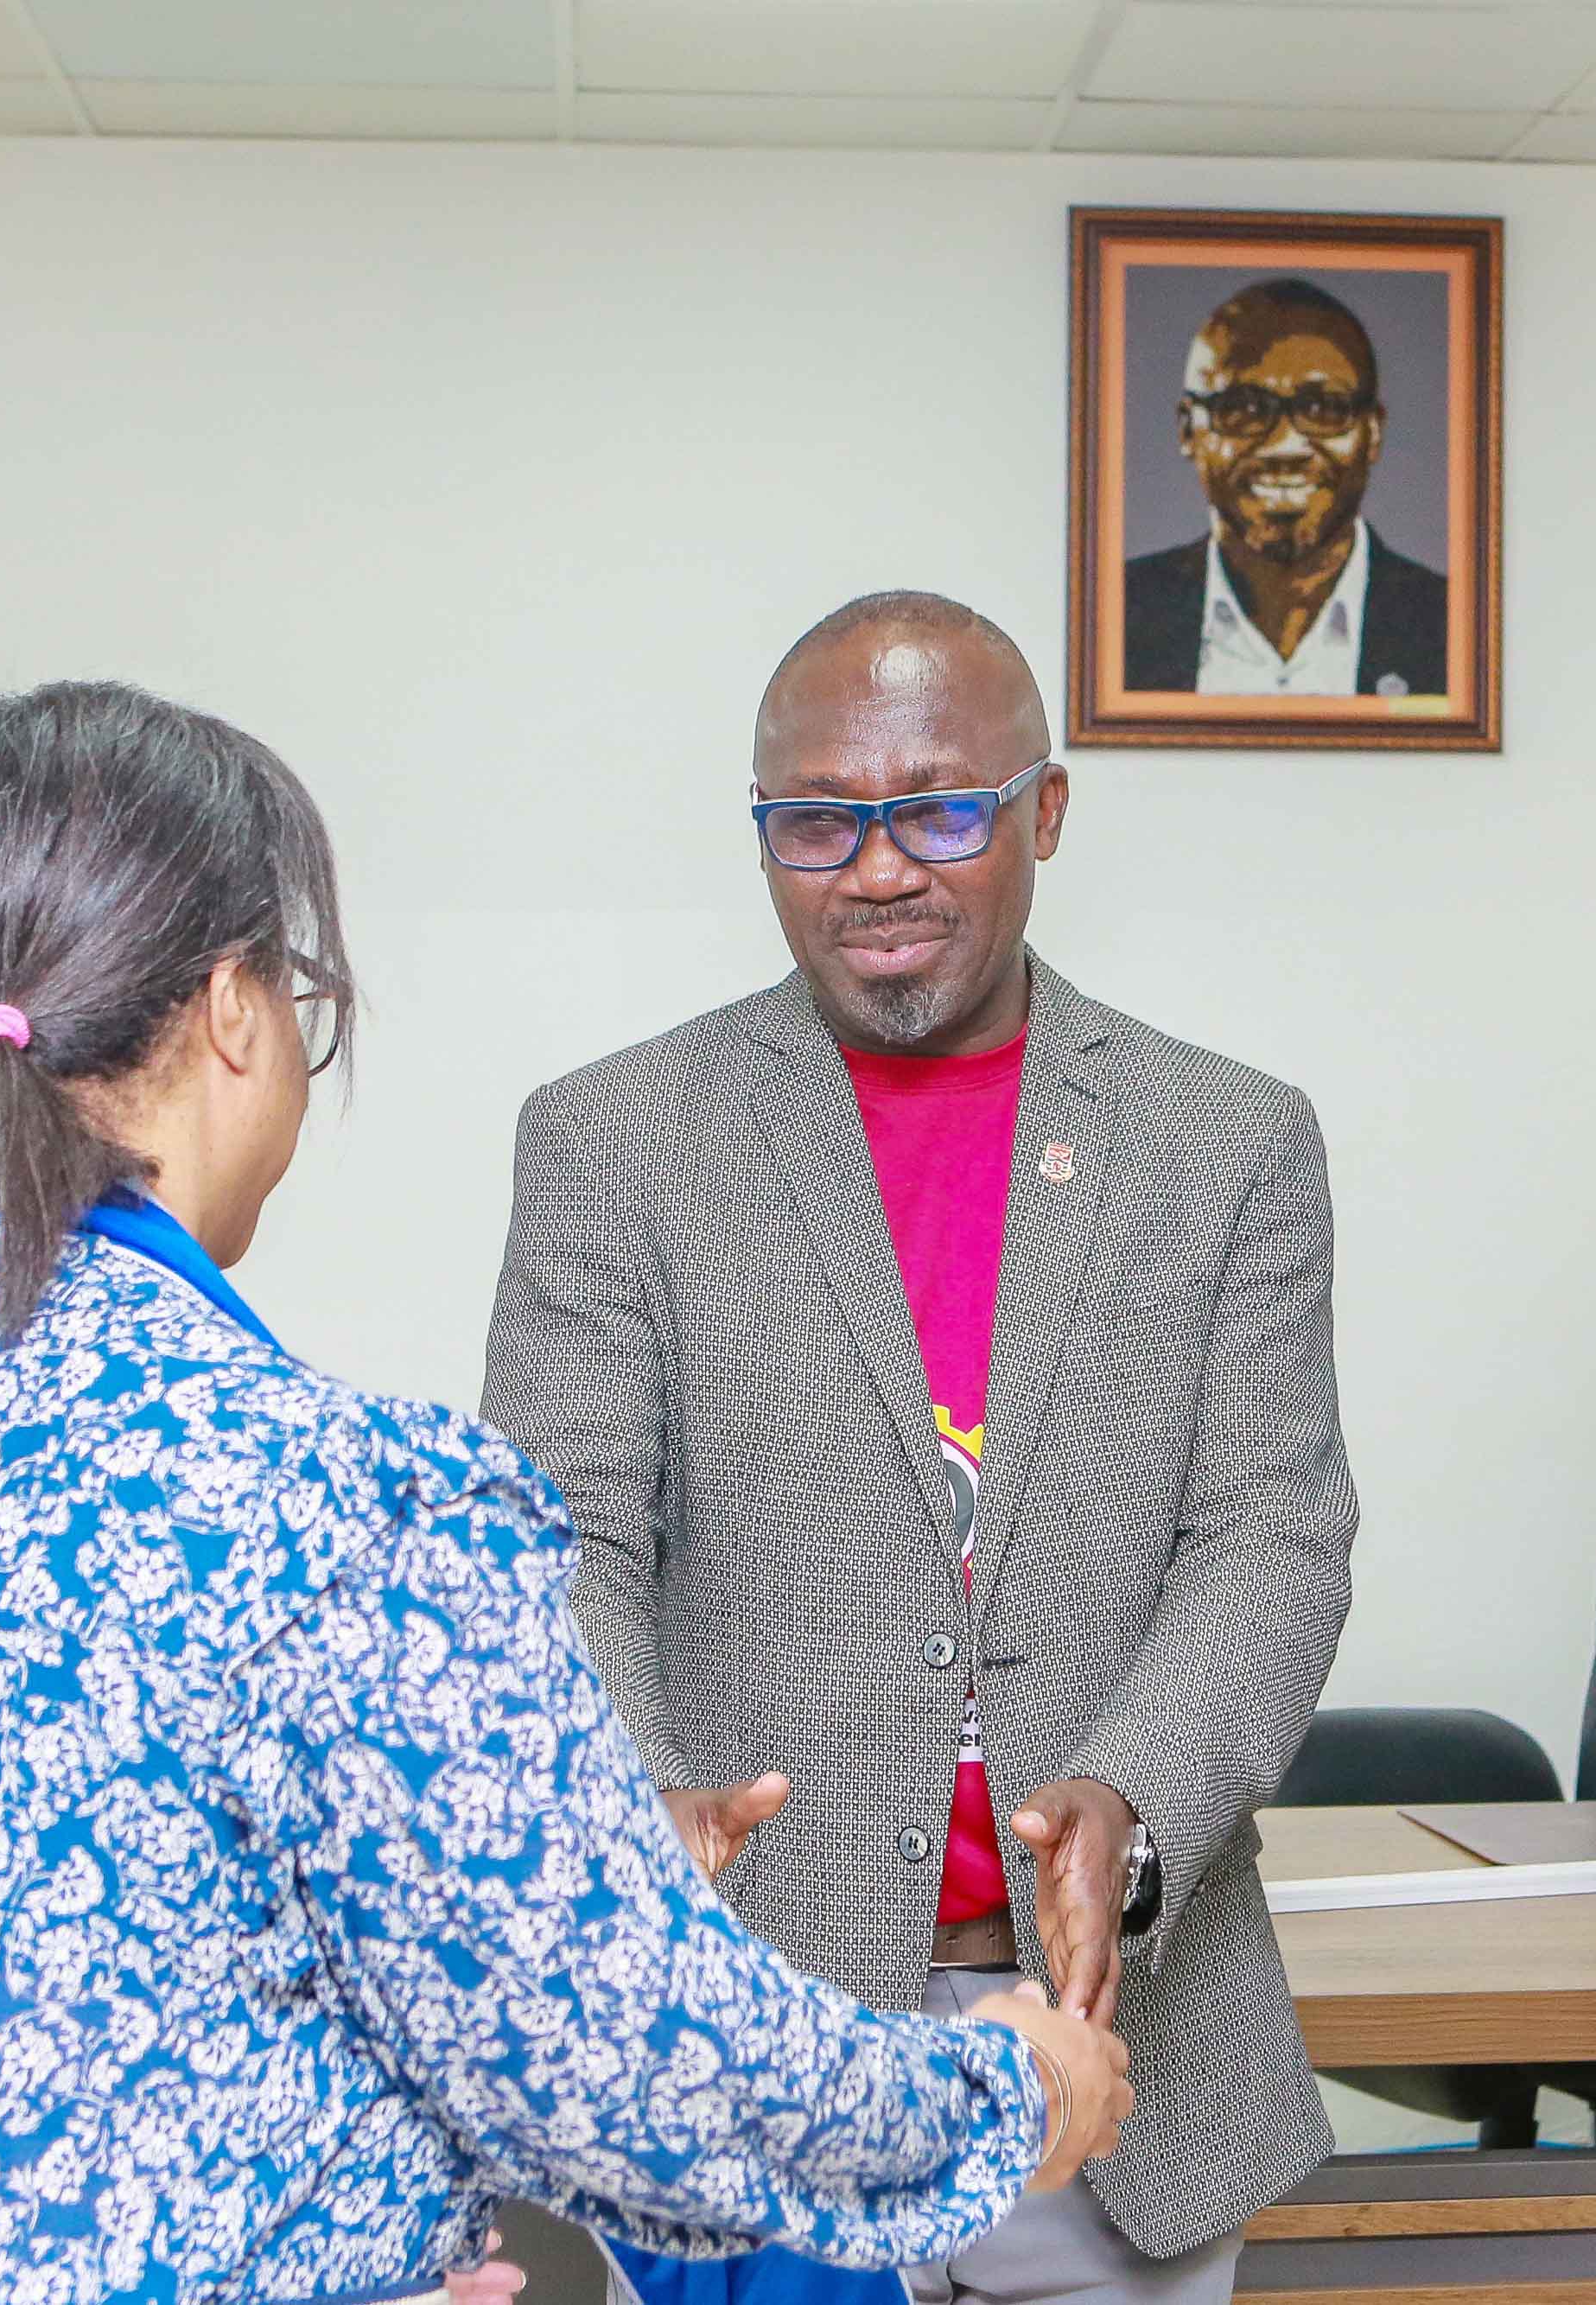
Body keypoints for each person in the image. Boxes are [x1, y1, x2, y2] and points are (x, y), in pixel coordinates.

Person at [0, 681, 1128, 2305]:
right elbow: (643, 2078)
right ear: (235, 1008)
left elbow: (14, 1979)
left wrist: (530, 1864)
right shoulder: (333, 1504)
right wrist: (1015, 2089)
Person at [484, 593, 1356, 2305]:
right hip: (759, 2062)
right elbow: (558, 1536)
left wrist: (1136, 1801)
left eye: (938, 808)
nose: (876, 866)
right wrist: (634, 1795)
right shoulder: (610, 1140)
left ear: (1042, 810)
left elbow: (1269, 1538)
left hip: (1110, 2067)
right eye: (818, 818)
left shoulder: (1227, 1142)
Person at [1119, 277, 1447, 699]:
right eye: (1243, 409)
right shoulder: (1120, 618)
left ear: (1374, 432)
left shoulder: (1450, 624)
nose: (1285, 446)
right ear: (1187, 429)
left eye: (1324, 408)